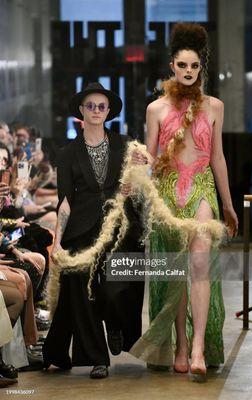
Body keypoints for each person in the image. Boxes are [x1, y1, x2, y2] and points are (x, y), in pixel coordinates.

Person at [129, 22, 238, 377]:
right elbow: (151, 154)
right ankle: (179, 343)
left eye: (195, 66)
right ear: (172, 67)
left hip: (203, 186)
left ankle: (199, 348)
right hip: (167, 191)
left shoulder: (215, 107)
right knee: (175, 270)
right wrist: (136, 170)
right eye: (183, 65)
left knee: (200, 261)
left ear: (200, 68)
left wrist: (228, 204)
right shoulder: (156, 109)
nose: (189, 71)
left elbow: (218, 157)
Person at [43, 82, 144, 378]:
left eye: (101, 106)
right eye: (91, 106)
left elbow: (140, 181)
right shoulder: (67, 153)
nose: (96, 111)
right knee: (80, 287)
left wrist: (132, 183)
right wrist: (58, 244)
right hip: (82, 228)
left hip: (120, 225)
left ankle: (115, 324)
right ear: (81, 112)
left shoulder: (124, 144)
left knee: (117, 288)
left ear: (109, 111)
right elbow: (64, 201)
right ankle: (96, 357)